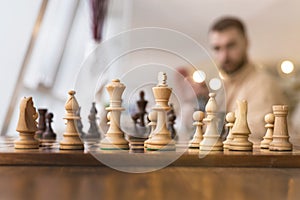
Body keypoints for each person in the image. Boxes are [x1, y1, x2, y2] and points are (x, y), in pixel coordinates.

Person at [208, 16, 288, 141]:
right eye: (217, 48)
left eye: (231, 46)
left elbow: (254, 134)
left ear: (246, 43)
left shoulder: (264, 84)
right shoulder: (223, 86)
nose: (224, 56)